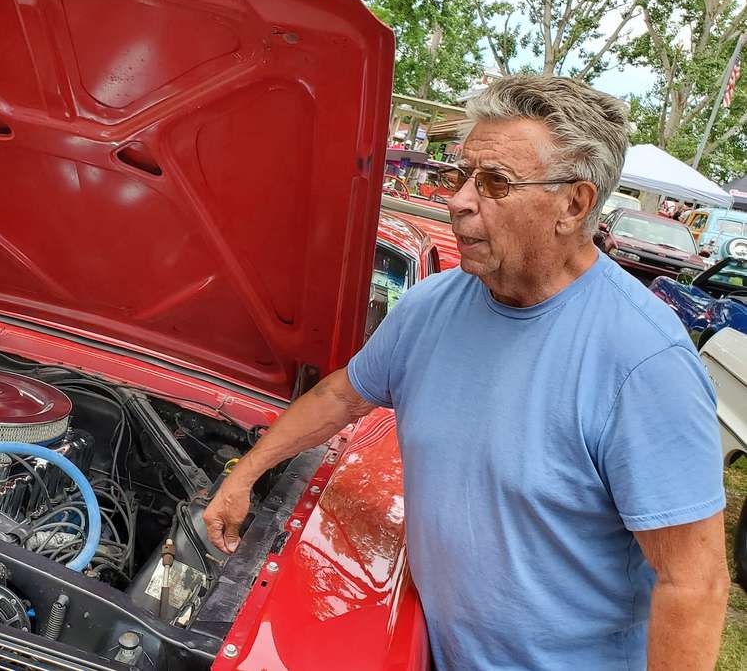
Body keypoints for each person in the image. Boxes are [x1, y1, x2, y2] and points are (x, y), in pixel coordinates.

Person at [204, 75, 729, 669]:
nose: (458, 199)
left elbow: (694, 584)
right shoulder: (432, 305)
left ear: (574, 204)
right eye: (461, 175)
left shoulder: (643, 362)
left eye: (495, 183)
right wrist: (244, 475)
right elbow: (339, 397)